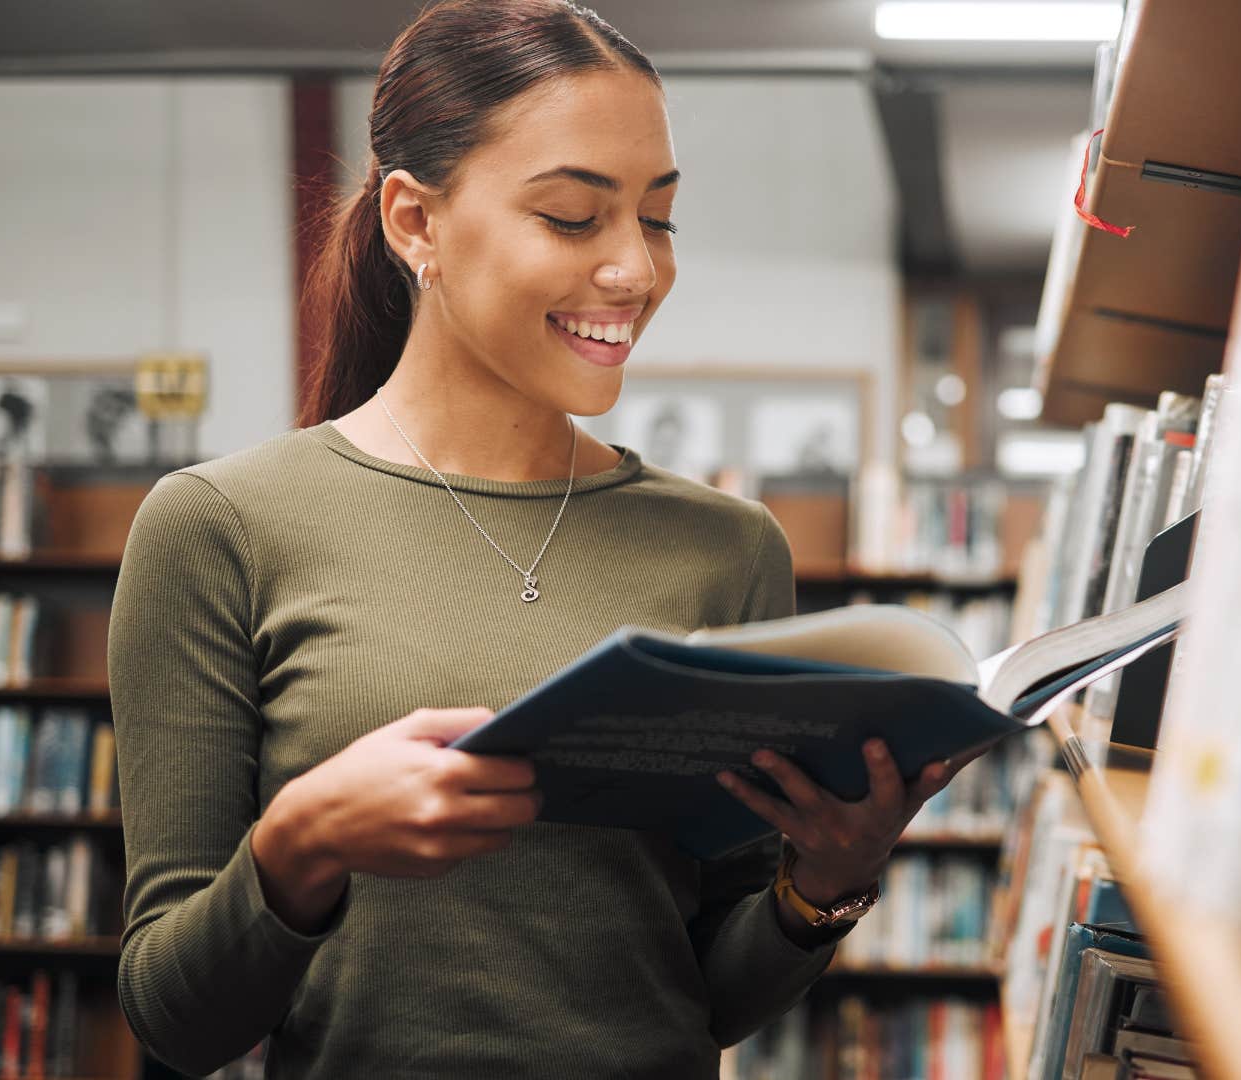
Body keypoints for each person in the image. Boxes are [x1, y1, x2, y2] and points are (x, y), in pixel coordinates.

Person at [107, 2, 979, 1076]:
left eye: (658, 219)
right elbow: (175, 1020)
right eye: (574, 217)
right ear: (414, 224)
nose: (635, 272)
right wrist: (301, 844)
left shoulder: (730, 548)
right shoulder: (219, 529)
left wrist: (825, 884)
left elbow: (702, 997)